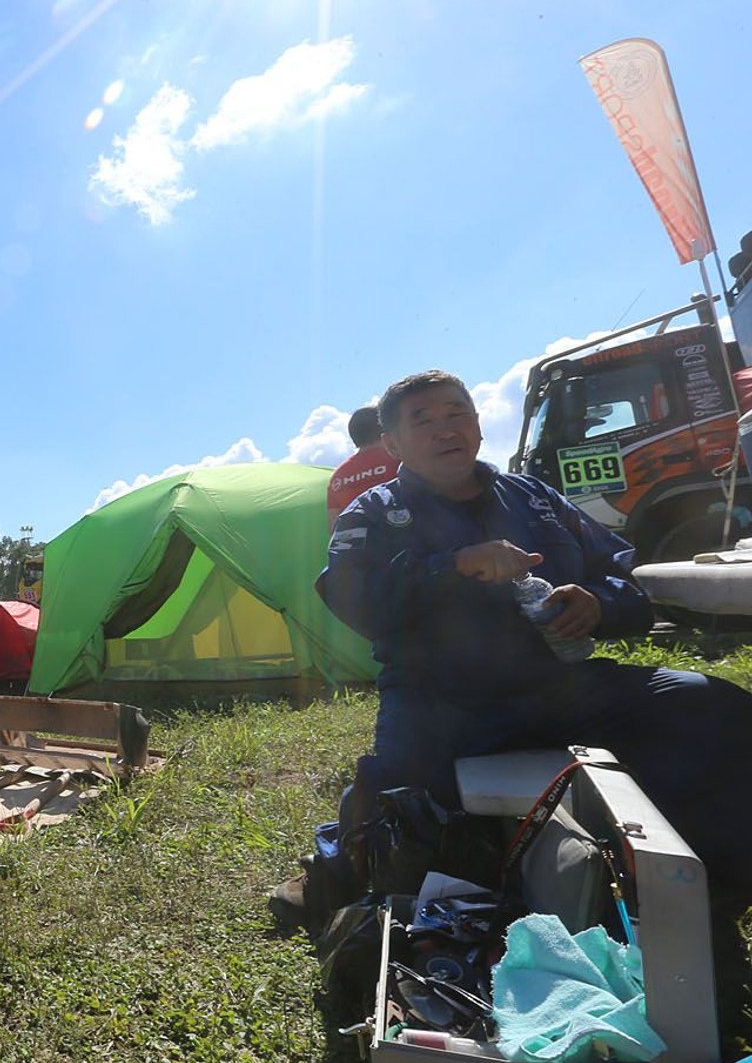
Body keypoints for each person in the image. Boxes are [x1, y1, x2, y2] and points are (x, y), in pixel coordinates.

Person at [316, 368, 752, 900]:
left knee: (710, 703)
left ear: (478, 425)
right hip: (440, 700)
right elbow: (352, 599)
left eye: (457, 414)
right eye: (423, 420)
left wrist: (598, 604)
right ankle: (340, 877)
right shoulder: (376, 512)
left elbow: (623, 577)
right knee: (397, 805)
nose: (445, 430)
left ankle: (715, 888)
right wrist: (451, 567)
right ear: (392, 442)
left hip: (563, 685)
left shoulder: (535, 498)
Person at [326, 405, 394, 530]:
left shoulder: (338, 476)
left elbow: (334, 528)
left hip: (358, 547)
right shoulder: (398, 460)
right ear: (385, 430)